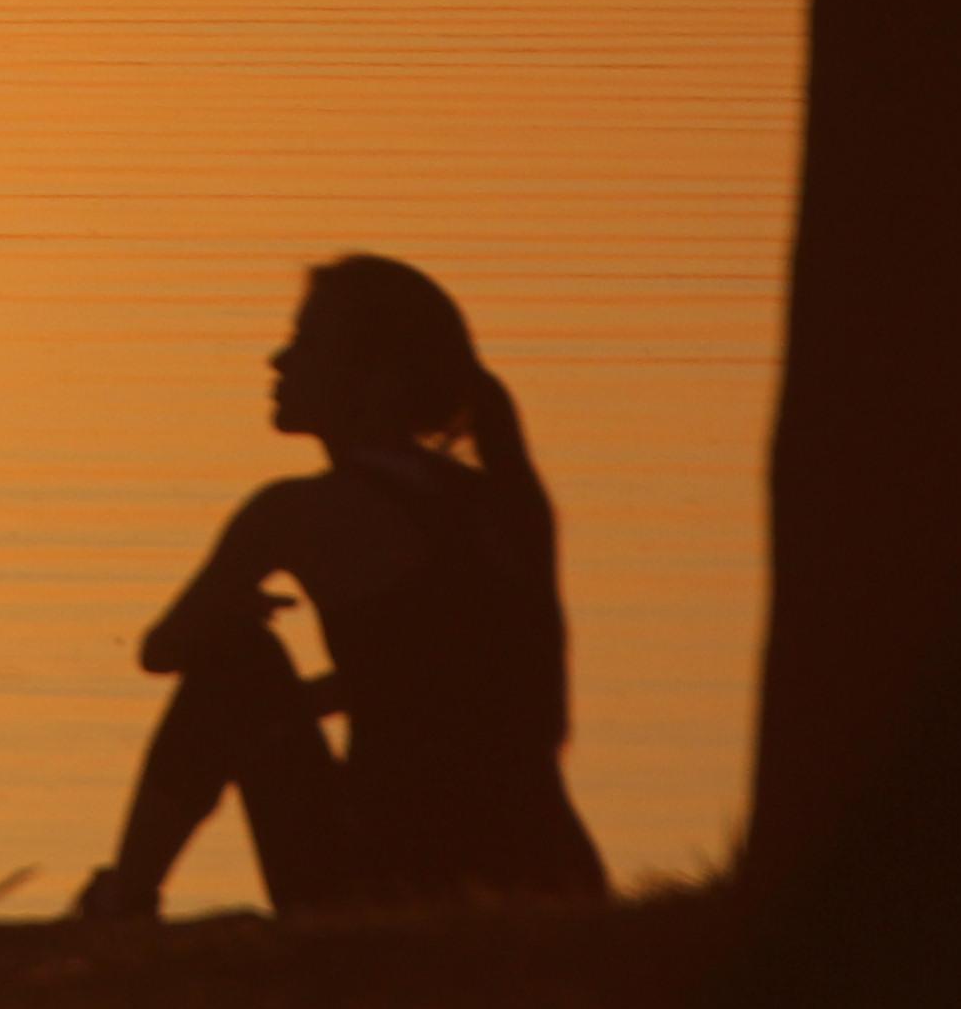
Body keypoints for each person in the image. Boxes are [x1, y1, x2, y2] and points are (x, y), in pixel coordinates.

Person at [70, 254, 606, 920]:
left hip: (391, 887)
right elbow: (456, 687)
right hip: (556, 872)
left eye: (307, 344)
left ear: (378, 381)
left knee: (233, 659)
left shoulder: (292, 513)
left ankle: (125, 901)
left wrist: (235, 622)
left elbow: (162, 650)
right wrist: (298, 704)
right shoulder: (502, 501)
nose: (279, 361)